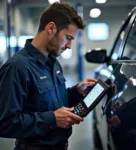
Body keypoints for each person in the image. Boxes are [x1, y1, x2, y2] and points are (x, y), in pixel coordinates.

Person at [0, 2, 97, 150]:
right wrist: (51, 119)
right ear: (51, 28)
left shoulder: (54, 63)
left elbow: (53, 103)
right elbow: (4, 123)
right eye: (68, 38)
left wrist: (76, 91)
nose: (70, 45)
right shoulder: (17, 67)